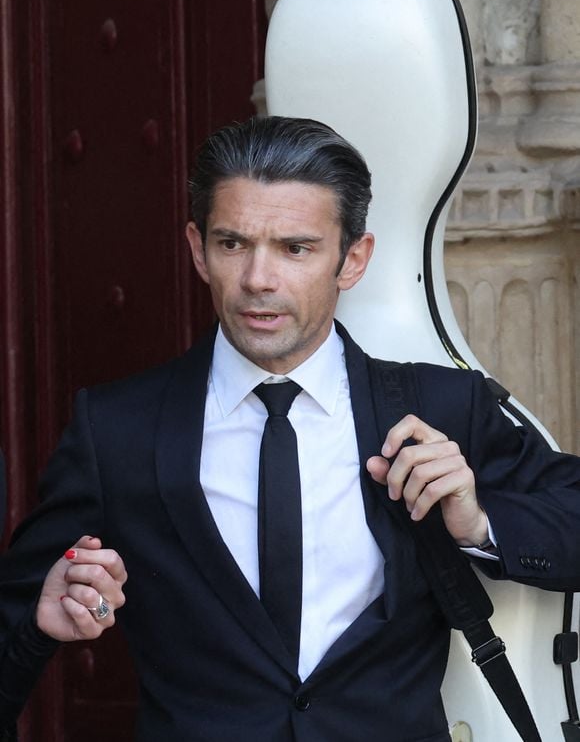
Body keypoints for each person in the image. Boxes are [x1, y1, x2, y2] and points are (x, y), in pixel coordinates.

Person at [1, 115, 580, 741]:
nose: (258, 280)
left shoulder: (440, 405)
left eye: (295, 248)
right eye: (233, 244)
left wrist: (479, 525)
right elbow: (16, 624)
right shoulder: (115, 430)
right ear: (197, 248)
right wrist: (38, 626)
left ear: (353, 259)